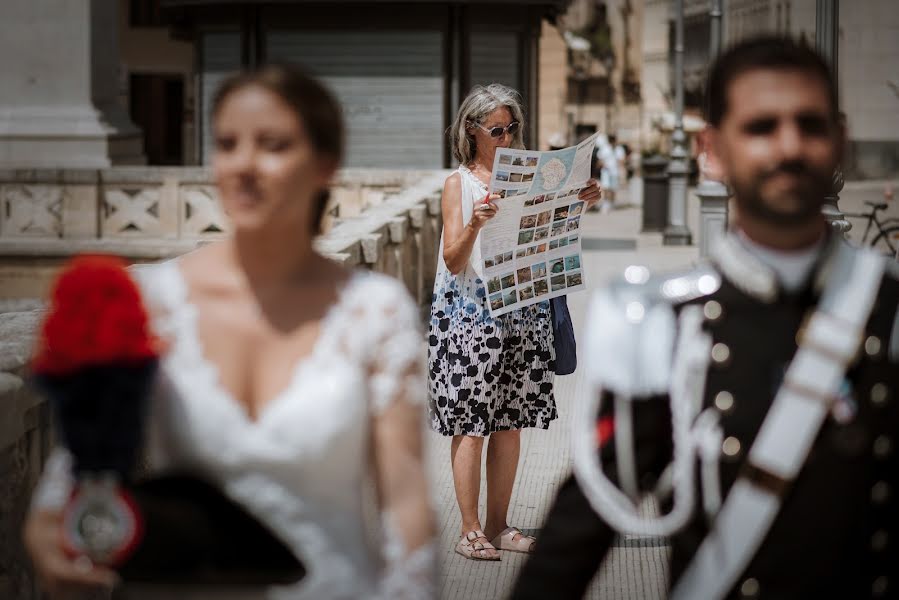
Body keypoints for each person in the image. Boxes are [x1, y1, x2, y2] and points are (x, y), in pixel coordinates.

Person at [24, 64, 435, 599]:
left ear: (325, 164)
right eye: (227, 144)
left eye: (273, 145)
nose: (243, 165)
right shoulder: (150, 301)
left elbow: (404, 497)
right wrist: (44, 535)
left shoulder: (374, 312)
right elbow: (74, 474)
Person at [511, 36, 899, 599]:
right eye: (761, 127)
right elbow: (584, 523)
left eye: (809, 125)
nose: (788, 146)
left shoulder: (888, 313)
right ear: (712, 150)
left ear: (839, 140)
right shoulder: (665, 326)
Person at [428, 84, 600, 561]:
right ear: (472, 131)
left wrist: (579, 200)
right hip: (470, 316)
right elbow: (453, 259)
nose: (506, 137)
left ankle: (501, 525)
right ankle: (470, 529)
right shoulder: (457, 185)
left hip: (524, 309)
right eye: (497, 130)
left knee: (509, 422)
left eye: (512, 128)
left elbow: (549, 237)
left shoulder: (532, 177)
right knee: (471, 423)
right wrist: (477, 223)